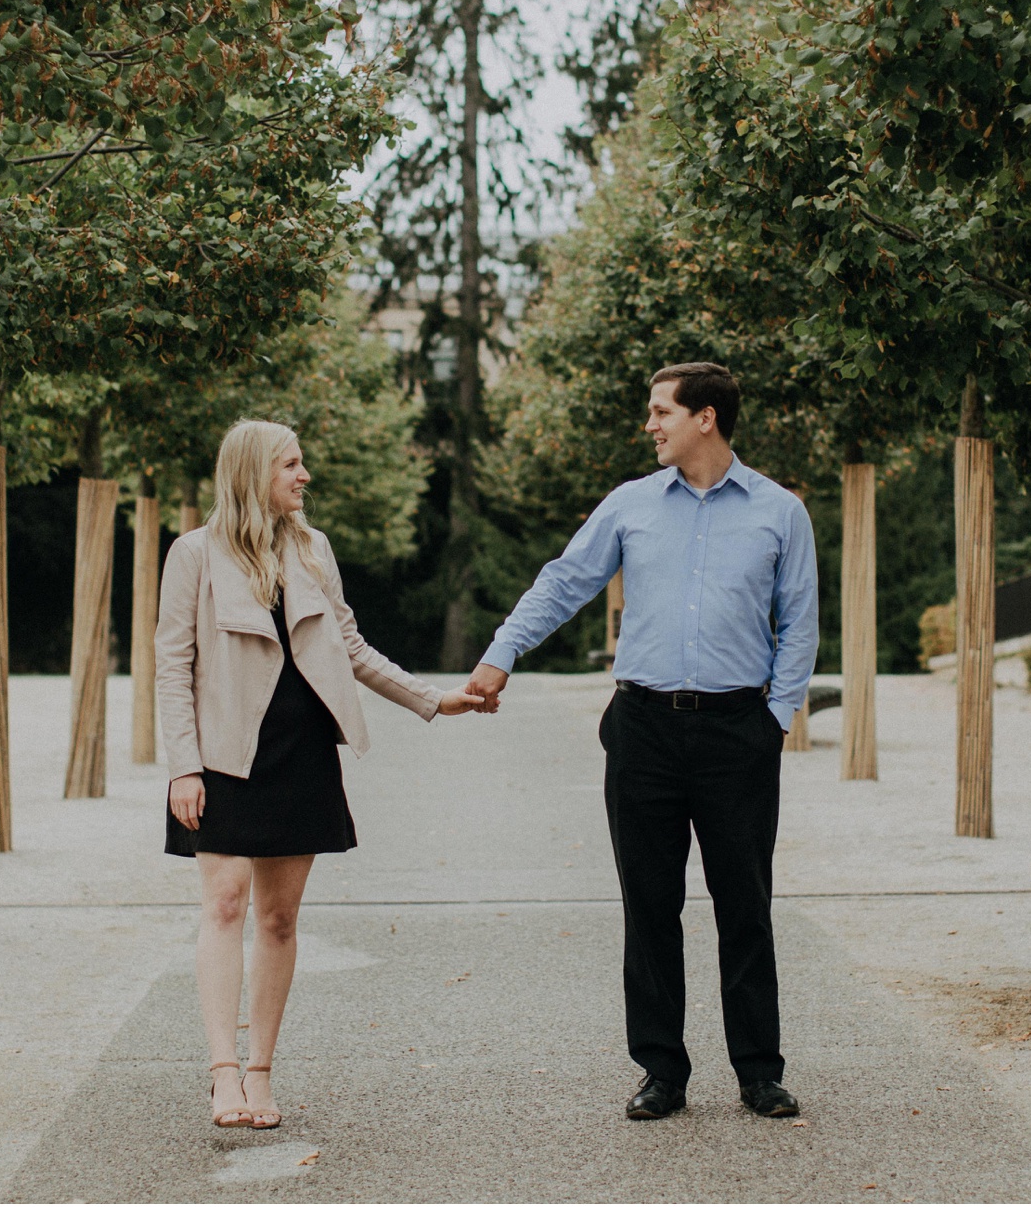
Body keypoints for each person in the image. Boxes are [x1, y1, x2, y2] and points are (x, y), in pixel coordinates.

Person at [464, 362, 817, 1123]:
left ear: (707, 418)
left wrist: (774, 719)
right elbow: (563, 581)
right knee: (649, 905)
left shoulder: (779, 512)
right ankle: (661, 1069)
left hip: (736, 732)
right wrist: (501, 655)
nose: (650, 424)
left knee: (744, 905)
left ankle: (759, 1069)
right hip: (643, 730)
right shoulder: (630, 505)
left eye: (661, 411)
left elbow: (800, 623)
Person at [157, 419, 489, 1130]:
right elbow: (171, 664)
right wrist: (183, 765)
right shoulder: (192, 554)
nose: (304, 476)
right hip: (221, 755)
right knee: (223, 901)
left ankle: (260, 1073)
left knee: (277, 917)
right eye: (291, 464)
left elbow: (350, 645)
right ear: (253, 472)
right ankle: (221, 1074)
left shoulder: (312, 549)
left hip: (301, 750)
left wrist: (434, 699)